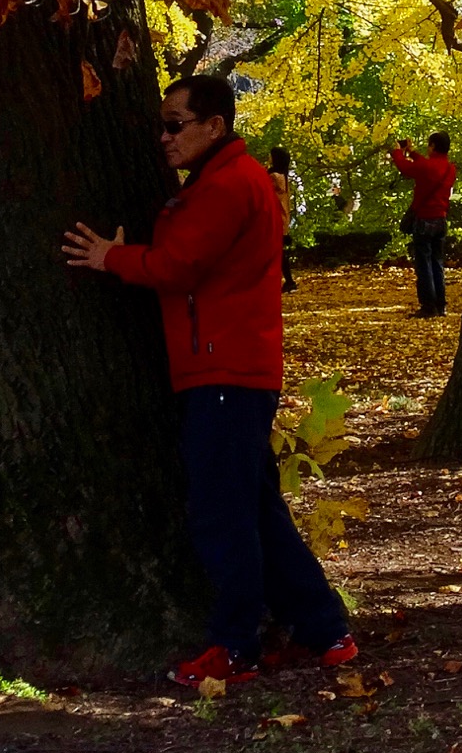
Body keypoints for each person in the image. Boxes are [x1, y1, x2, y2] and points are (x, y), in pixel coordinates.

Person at [61, 73, 356, 690]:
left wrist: (110, 258)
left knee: (223, 514)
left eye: (175, 125)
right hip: (232, 367)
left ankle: (236, 646)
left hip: (225, 370)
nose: (163, 138)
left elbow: (179, 265)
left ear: (214, 126)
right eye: (161, 126)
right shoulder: (226, 182)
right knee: (255, 508)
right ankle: (325, 630)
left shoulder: (227, 185)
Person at [391, 131, 457, 318]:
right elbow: (425, 166)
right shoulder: (450, 168)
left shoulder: (427, 167)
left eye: (429, 145)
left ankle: (428, 305)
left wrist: (398, 152)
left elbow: (406, 168)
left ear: (433, 146)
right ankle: (440, 304)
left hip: (424, 220)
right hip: (441, 219)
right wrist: (412, 152)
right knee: (437, 262)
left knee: (424, 263)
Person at [268, 146, 297, 294]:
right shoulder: (284, 177)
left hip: (275, 219)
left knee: (276, 252)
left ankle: (289, 281)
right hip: (283, 218)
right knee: (278, 252)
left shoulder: (274, 177)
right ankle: (288, 281)